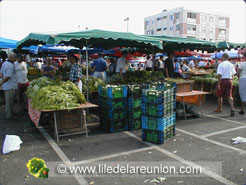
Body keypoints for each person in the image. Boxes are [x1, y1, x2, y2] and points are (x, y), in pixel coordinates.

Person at [0, 52, 17, 120]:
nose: (15, 58)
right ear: (11, 58)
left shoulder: (4, 63)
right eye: (15, 57)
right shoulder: (10, 65)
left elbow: (1, 72)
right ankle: (9, 116)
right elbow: (8, 76)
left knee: (9, 101)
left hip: (6, 85)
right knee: (9, 101)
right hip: (10, 86)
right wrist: (1, 82)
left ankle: (10, 112)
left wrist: (2, 79)